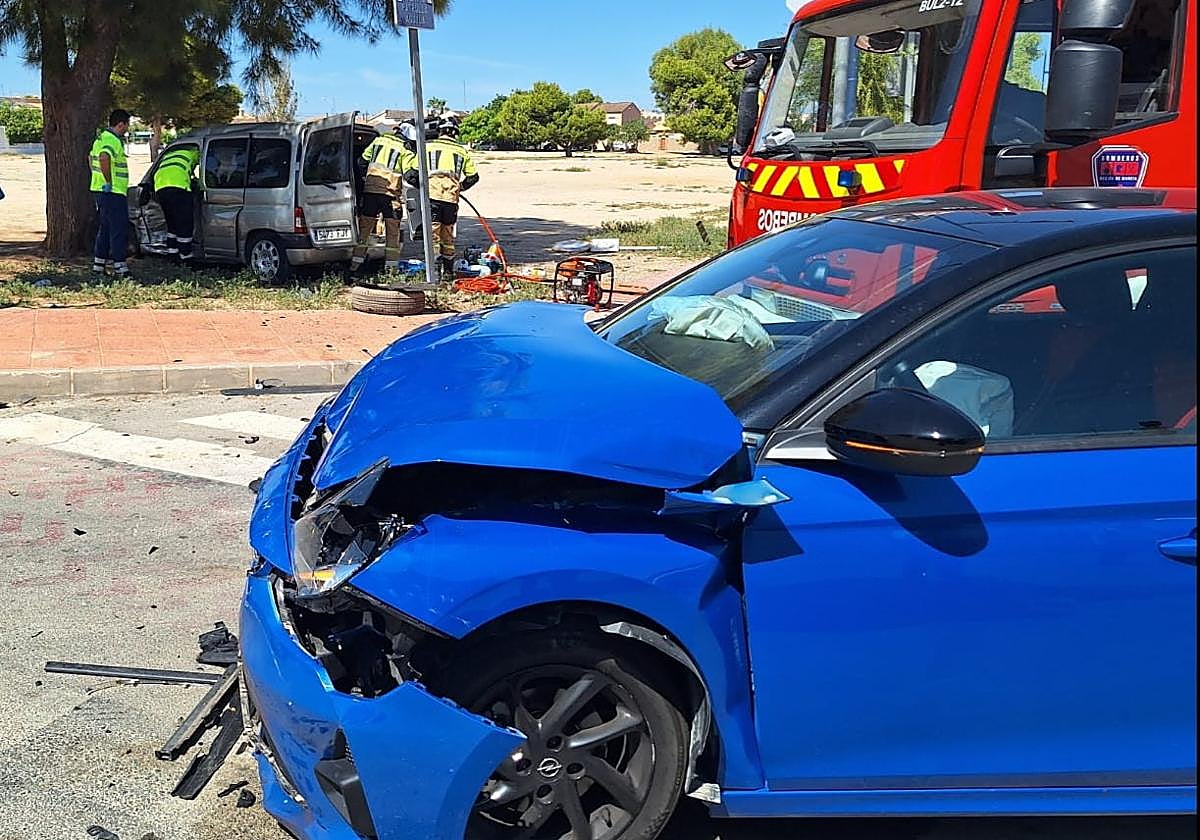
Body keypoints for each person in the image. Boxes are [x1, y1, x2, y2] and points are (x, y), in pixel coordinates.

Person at [405, 113, 479, 281]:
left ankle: (434, 273)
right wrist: (459, 187)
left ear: (440, 131)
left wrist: (423, 187)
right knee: (448, 236)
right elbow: (473, 177)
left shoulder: (428, 147)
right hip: (451, 200)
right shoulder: (461, 151)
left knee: (433, 236)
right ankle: (448, 273)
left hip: (433, 198)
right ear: (455, 133)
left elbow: (411, 175)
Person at [353, 121, 417, 271]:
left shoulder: (379, 140)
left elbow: (361, 162)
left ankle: (355, 266)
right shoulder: (405, 149)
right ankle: (391, 269)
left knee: (364, 232)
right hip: (390, 195)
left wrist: (365, 180)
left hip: (370, 193)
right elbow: (409, 175)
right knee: (392, 233)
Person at [89, 109, 132, 277]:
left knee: (105, 228)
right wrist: (108, 181)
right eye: (127, 126)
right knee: (118, 228)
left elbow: (89, 157)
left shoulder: (99, 139)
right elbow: (104, 157)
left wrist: (98, 178)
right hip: (113, 192)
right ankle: (120, 267)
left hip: (100, 191)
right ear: (121, 124)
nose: (127, 130)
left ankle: (99, 265)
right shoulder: (112, 140)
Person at [152, 143, 200, 264]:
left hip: (160, 188)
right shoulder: (195, 152)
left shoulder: (170, 154)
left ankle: (172, 254)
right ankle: (186, 256)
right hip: (178, 187)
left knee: (172, 223)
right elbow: (209, 167)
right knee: (184, 223)